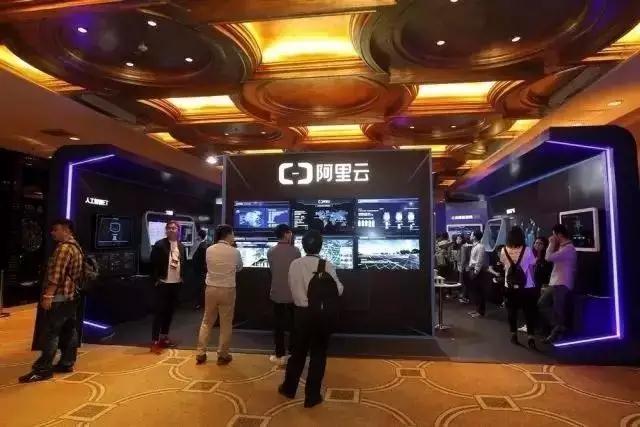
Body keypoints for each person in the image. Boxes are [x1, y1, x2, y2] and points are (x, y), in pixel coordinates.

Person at [278, 230, 344, 408]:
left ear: (303, 245)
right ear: (320, 246)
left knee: (297, 354)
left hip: (300, 314)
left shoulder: (294, 264)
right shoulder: (326, 265)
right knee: (318, 354)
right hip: (320, 315)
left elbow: (291, 285)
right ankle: (312, 396)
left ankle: (289, 388)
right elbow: (338, 290)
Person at [19, 219, 84, 383]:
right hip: (71, 296)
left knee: (51, 333)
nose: (52, 233)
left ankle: (43, 369)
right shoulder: (76, 247)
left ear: (66, 230)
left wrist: (48, 296)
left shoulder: (64, 249)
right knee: (69, 330)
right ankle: (67, 363)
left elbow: (56, 276)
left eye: (56, 230)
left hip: (59, 297)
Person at [196, 224, 243, 365]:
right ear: (228, 235)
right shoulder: (235, 252)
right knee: (226, 323)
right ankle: (222, 355)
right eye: (232, 233)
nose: (233, 236)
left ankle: (200, 353)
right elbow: (239, 268)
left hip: (211, 288)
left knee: (207, 321)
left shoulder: (209, 249)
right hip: (227, 289)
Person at [149, 220, 186, 354]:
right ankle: (154, 341)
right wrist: (156, 279)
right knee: (159, 312)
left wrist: (183, 277)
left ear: (178, 231)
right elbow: (152, 264)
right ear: (166, 230)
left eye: (174, 228)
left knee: (170, 312)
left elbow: (184, 262)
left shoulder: (181, 246)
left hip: (176, 283)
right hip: (163, 283)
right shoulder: (159, 245)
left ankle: (164, 337)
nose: (171, 230)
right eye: (169, 228)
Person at [267, 224, 301, 365]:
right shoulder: (296, 251)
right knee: (294, 324)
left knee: (278, 325)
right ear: (286, 234)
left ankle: (279, 354)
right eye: (290, 232)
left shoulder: (270, 251)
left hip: (276, 292)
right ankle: (293, 353)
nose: (291, 234)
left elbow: (272, 270)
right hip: (293, 293)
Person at [499, 227, 538, 349]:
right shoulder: (528, 250)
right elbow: (531, 268)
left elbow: (504, 266)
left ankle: (514, 335)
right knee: (529, 312)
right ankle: (531, 338)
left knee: (512, 311)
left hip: (510, 285)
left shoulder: (503, 250)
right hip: (527, 286)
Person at [538, 224, 577, 343]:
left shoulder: (568, 249)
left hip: (562, 283)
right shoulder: (563, 247)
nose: (552, 237)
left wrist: (551, 244)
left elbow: (548, 257)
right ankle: (558, 326)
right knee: (542, 304)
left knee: (557, 310)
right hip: (556, 282)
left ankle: (556, 333)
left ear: (559, 234)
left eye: (554, 234)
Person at [467, 230, 488, 317]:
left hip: (477, 271)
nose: (470, 236)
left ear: (475, 236)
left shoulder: (480, 247)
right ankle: (477, 310)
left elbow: (479, 260)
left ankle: (480, 312)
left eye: (471, 235)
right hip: (473, 270)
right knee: (475, 291)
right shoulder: (474, 246)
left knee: (479, 291)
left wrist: (476, 271)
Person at [191, 229, 209, 310]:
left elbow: (198, 259)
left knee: (199, 288)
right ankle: (199, 303)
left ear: (199, 236)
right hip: (202, 270)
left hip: (200, 271)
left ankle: (199, 304)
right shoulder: (204, 245)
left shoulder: (201, 246)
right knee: (201, 288)